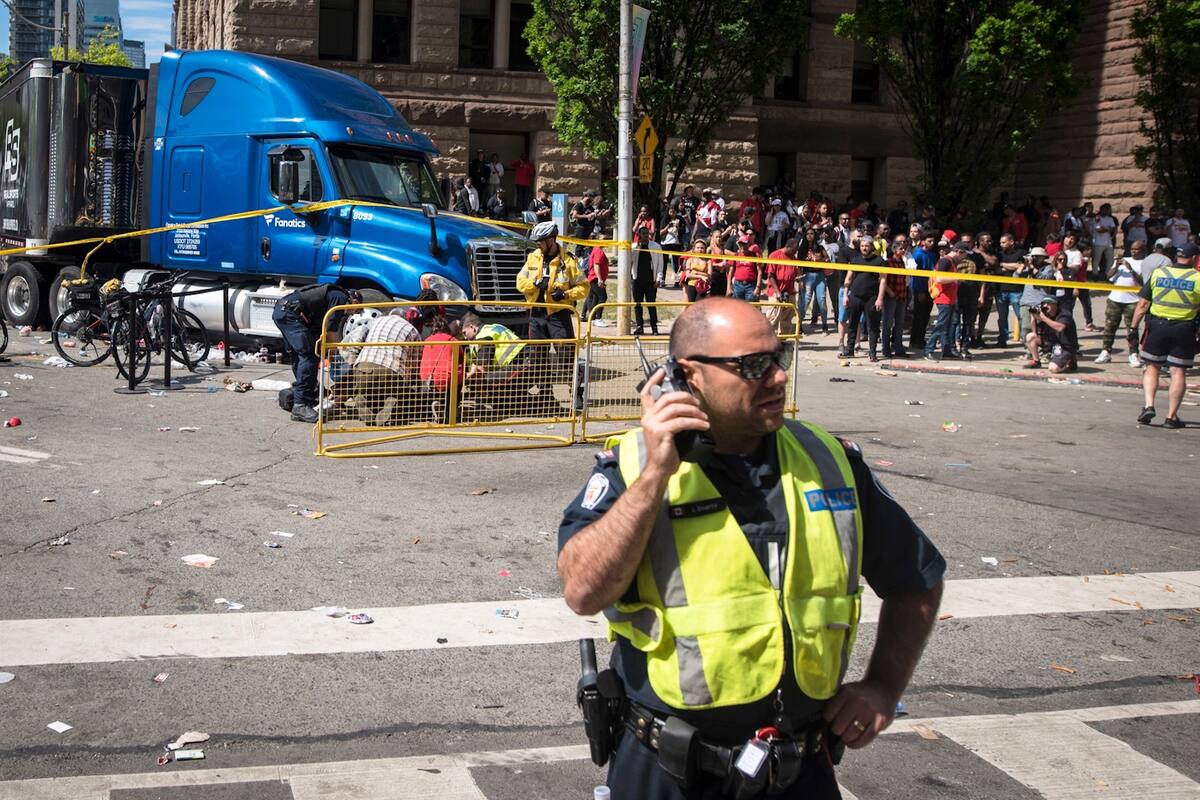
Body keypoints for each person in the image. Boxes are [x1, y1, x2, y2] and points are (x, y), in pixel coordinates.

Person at [558, 297, 945, 800]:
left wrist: (883, 688)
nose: (779, 378)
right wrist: (656, 476)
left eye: (779, 358)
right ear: (686, 377)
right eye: (753, 366)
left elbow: (917, 578)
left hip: (798, 768)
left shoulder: (828, 462)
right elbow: (583, 592)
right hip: (668, 770)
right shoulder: (631, 466)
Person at [1131, 243, 1200, 428]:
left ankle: (1149, 406)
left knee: (1152, 366)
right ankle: (1171, 417)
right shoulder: (1198, 278)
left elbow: (1143, 304)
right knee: (1178, 371)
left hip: (1158, 326)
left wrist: (1133, 327)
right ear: (1194, 258)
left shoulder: (1159, 273)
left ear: (1177, 257)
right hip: (1184, 328)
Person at [272, 282, 360, 423]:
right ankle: (300, 405)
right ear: (354, 301)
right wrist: (336, 357)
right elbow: (330, 332)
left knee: (299, 355)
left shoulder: (331, 296)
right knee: (309, 355)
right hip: (291, 314)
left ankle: (305, 393)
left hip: (283, 311)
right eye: (356, 309)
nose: (352, 313)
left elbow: (320, 331)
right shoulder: (341, 299)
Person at [516, 221, 589, 392]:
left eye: (540, 242)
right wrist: (534, 284)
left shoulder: (568, 261)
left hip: (559, 315)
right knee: (538, 358)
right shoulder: (533, 257)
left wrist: (565, 295)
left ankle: (576, 391)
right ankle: (545, 394)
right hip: (537, 315)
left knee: (566, 356)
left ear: (551, 240)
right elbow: (520, 281)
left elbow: (584, 287)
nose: (538, 245)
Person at [341, 307, 421, 427]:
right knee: (394, 392)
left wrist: (353, 360)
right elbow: (414, 363)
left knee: (365, 389)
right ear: (406, 318)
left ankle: (361, 399)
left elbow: (361, 336)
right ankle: (391, 402)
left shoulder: (376, 321)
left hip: (364, 365)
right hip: (391, 369)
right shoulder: (413, 331)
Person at [460, 312, 529, 416]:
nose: (465, 338)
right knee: (497, 402)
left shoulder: (483, 336)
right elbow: (477, 362)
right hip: (524, 360)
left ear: (472, 327)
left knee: (484, 380)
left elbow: (482, 368)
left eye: (465, 333)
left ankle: (515, 403)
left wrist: (465, 377)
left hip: (520, 366)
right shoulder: (492, 327)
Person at [1095, 239, 1146, 366]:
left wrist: (1131, 270)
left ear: (1143, 250)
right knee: (1109, 327)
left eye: (1136, 249)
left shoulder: (1144, 263)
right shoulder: (1123, 261)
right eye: (1132, 249)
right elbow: (1109, 277)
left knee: (1132, 329)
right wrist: (1117, 266)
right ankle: (1106, 351)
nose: (1133, 251)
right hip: (1115, 299)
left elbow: (1143, 283)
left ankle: (1133, 354)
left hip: (1133, 301)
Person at [841, 236, 887, 361]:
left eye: (867, 246)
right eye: (862, 246)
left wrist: (880, 298)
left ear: (872, 246)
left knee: (873, 326)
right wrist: (845, 295)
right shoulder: (855, 259)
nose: (864, 248)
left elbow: (883, 281)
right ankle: (849, 350)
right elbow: (848, 278)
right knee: (852, 324)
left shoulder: (879, 261)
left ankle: (872, 353)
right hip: (855, 296)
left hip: (872, 297)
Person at [923, 243, 960, 361]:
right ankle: (928, 350)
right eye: (963, 255)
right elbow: (939, 279)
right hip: (944, 298)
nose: (963, 258)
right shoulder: (946, 261)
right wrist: (956, 277)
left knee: (947, 326)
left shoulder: (951, 261)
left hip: (950, 298)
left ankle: (947, 351)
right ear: (959, 252)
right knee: (941, 325)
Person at [1025, 296, 1079, 373]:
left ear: (1056, 304)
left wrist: (1044, 318)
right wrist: (1033, 317)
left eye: (1048, 303)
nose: (1045, 306)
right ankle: (1036, 361)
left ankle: (1071, 360)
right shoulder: (1046, 313)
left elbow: (1060, 328)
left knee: (1053, 368)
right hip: (1052, 342)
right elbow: (1034, 332)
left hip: (1066, 346)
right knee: (1031, 336)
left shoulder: (1064, 314)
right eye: (1044, 303)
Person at [631, 227, 666, 335]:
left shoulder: (656, 246)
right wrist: (637, 245)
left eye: (647, 233)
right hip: (637, 280)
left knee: (651, 304)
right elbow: (630, 261)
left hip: (651, 280)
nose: (645, 235)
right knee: (637, 304)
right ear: (639, 235)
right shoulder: (634, 247)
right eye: (643, 233)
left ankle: (654, 328)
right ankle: (639, 326)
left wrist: (659, 278)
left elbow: (660, 264)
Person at [764, 238, 801, 335]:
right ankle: (769, 340)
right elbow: (770, 276)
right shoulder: (775, 256)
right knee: (773, 318)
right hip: (776, 293)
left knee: (787, 320)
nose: (795, 252)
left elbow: (795, 273)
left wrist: (798, 278)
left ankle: (783, 340)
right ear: (788, 247)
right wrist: (777, 292)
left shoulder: (793, 258)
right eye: (794, 250)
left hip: (789, 292)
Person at [881, 240, 909, 358]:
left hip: (902, 296)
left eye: (904, 249)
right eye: (901, 249)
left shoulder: (902, 262)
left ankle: (898, 348)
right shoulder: (888, 262)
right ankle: (885, 348)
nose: (903, 251)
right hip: (891, 297)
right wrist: (889, 292)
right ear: (894, 250)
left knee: (899, 323)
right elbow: (882, 280)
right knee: (887, 323)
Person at [584, 225, 611, 326]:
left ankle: (593, 318)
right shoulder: (598, 251)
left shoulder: (597, 250)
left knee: (595, 298)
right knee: (602, 297)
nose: (606, 241)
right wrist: (600, 279)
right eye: (603, 239)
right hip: (595, 279)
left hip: (594, 278)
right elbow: (596, 265)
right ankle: (598, 318)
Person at [682, 238, 711, 303]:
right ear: (694, 249)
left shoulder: (708, 261)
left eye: (702, 248)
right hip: (691, 284)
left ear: (705, 249)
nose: (700, 250)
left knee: (699, 304)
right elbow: (688, 275)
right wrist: (701, 276)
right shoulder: (690, 260)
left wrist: (695, 272)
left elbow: (709, 275)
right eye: (698, 248)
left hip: (702, 285)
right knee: (691, 304)